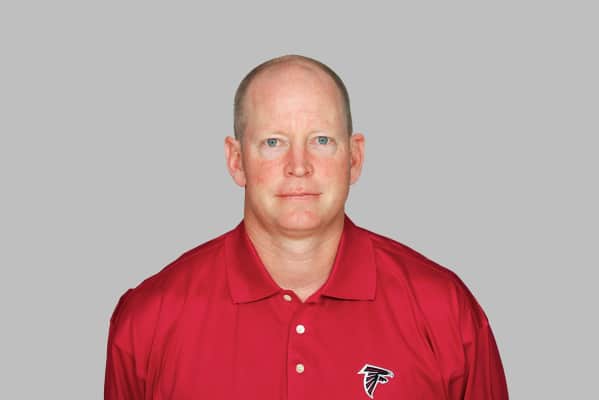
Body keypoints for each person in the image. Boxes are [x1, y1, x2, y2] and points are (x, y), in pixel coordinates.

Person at [104, 54, 509, 399]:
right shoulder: (149, 319)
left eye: (321, 140)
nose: (299, 166)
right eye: (273, 142)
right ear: (236, 160)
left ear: (354, 158)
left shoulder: (444, 309)